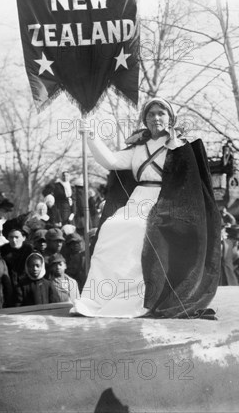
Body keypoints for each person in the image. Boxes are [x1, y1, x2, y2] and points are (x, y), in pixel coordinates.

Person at [71, 97, 220, 318]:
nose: (156, 118)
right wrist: (91, 136)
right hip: (138, 198)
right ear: (145, 119)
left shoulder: (180, 147)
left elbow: (191, 186)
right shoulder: (137, 147)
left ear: (170, 118)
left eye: (161, 113)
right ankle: (98, 299)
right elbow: (111, 161)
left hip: (168, 202)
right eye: (151, 114)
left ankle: (138, 300)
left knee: (137, 229)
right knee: (111, 228)